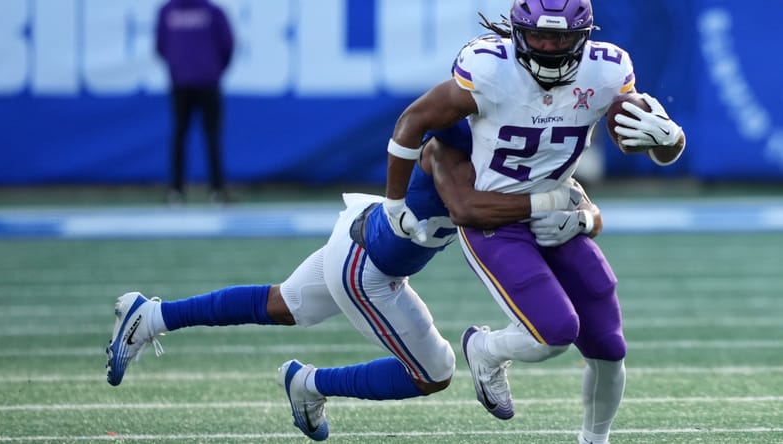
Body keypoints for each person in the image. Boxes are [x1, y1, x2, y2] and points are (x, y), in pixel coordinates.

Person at [105, 120, 602, 441]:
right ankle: (309, 384)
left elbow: (577, 199)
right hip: (369, 267)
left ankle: (153, 316)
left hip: (364, 236)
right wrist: (549, 202)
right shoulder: (454, 144)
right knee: (434, 372)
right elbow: (466, 204)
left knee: (283, 304)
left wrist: (583, 215)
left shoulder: (519, 145)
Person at [380, 1, 686, 444]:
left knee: (609, 348)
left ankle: (594, 441)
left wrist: (671, 138)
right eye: (540, 36)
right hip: (497, 218)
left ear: (583, 37)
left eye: (561, 38)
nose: (548, 48)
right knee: (553, 332)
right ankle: (484, 349)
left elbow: (651, 145)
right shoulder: (489, 69)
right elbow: (413, 121)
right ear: (518, 33)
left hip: (558, 213)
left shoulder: (606, 71)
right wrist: (394, 203)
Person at [155, 0, 234, 205]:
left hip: (182, 82)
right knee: (210, 136)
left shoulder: (169, 11)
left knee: (181, 136)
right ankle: (216, 191)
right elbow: (227, 45)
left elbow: (161, 46)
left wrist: (180, 67)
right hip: (207, 82)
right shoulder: (212, 12)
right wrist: (212, 69)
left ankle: (176, 191)